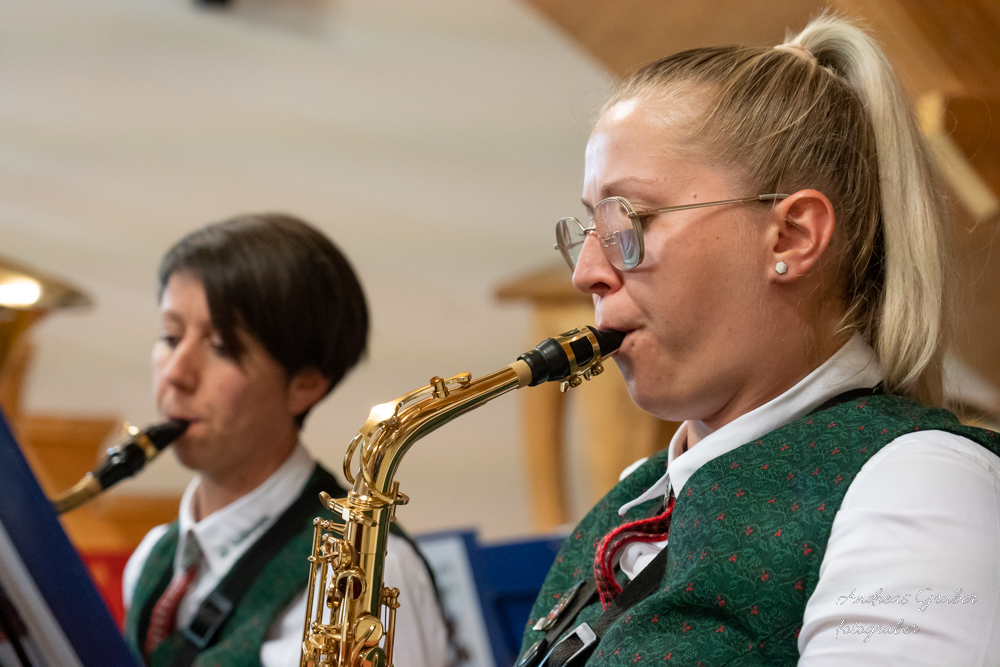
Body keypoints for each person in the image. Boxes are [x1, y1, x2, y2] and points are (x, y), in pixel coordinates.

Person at [520, 13, 1000, 667]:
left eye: (627, 221)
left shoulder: (922, 486)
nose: (586, 273)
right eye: (587, 229)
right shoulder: (638, 498)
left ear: (793, 237)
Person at [122, 214, 448, 666]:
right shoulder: (152, 558)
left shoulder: (369, 575)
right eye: (170, 337)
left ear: (305, 384)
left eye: (221, 347)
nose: (176, 373)